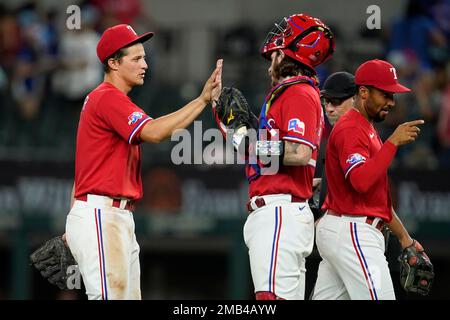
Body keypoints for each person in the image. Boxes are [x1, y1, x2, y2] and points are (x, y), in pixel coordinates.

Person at [64, 24, 222, 300]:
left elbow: (82, 169)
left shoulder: (110, 100)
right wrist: (202, 100)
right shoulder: (107, 98)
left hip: (111, 216)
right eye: (136, 59)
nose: (145, 65)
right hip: (101, 216)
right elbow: (155, 132)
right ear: (113, 63)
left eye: (144, 57)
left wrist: (74, 217)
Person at [311, 59, 427, 300]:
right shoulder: (351, 128)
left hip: (348, 230)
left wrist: (405, 238)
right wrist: (393, 143)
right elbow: (361, 182)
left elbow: (377, 197)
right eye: (385, 94)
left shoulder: (366, 128)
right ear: (363, 92)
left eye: (392, 95)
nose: (391, 102)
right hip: (353, 231)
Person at [243, 13, 335, 300]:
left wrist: (247, 144)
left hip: (279, 212)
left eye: (278, 51)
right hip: (284, 211)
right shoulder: (294, 92)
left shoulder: (298, 92)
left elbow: (299, 152)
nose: (273, 56)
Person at [314, 72, 357, 216]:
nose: (329, 108)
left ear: (355, 99)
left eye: (337, 101)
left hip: (346, 223)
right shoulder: (341, 131)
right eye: (326, 101)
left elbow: (361, 184)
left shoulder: (352, 132)